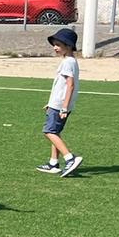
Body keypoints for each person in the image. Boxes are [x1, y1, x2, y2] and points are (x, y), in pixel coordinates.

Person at [36, 26, 83, 176]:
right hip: (56, 104)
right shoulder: (69, 61)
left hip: (60, 105)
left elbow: (70, 84)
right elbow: (61, 86)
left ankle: (70, 158)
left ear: (68, 46)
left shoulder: (68, 62)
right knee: (55, 132)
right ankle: (53, 163)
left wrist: (63, 107)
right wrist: (51, 103)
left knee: (49, 131)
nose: (55, 48)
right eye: (54, 44)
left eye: (58, 45)